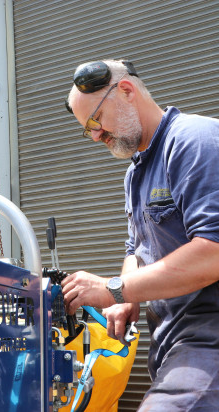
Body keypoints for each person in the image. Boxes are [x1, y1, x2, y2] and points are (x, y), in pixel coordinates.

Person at [61, 59, 219, 410]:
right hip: (171, 345)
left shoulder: (194, 141)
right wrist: (124, 297)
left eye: (95, 121)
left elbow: (213, 252)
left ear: (127, 92)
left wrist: (112, 288)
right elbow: (136, 248)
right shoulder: (135, 175)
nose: (96, 136)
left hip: (210, 339)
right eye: (86, 130)